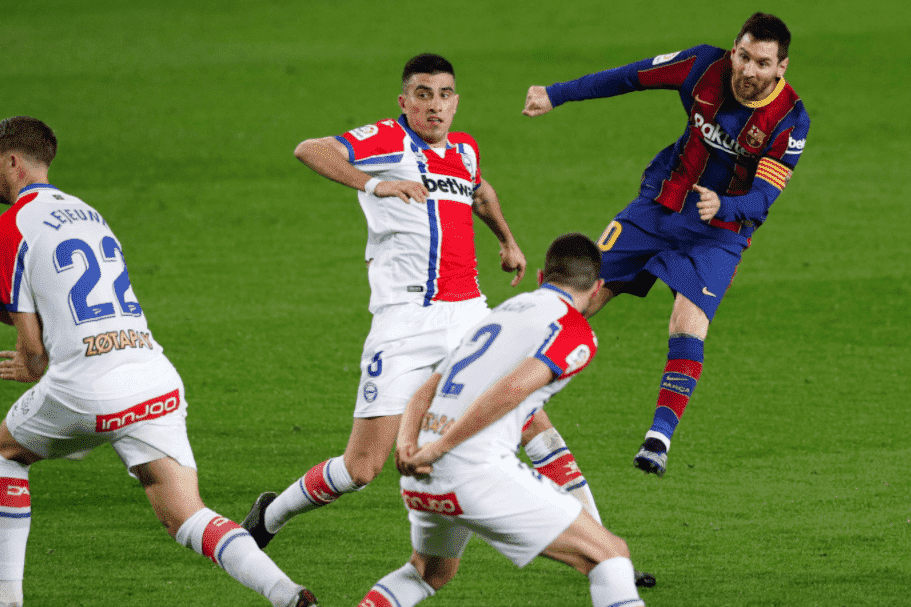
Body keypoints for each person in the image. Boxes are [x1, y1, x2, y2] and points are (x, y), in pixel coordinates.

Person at [242, 53, 611, 555]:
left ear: (456, 102)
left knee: (531, 417)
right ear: (404, 101)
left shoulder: (463, 149)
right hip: (404, 321)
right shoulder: (387, 141)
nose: (434, 105)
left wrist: (507, 241)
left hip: (469, 315)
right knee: (362, 468)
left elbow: (480, 192)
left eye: (443, 95)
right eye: (422, 94)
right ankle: (271, 514)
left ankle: (601, 540)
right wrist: (377, 183)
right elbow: (310, 149)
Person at [0, 116, 317, 607]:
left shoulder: (8, 230)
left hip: (88, 389)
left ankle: (6, 598)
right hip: (154, 379)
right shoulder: (88, 214)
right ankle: (286, 594)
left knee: (7, 452)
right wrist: (17, 315)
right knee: (187, 514)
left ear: (12, 161)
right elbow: (79, 308)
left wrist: (22, 350)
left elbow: (34, 359)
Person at [522, 12, 810, 476]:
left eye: (762, 62)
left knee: (687, 321)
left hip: (719, 232)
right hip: (660, 206)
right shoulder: (701, 66)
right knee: (578, 295)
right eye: (743, 56)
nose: (748, 71)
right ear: (732, 48)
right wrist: (556, 94)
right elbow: (631, 76)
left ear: (781, 67)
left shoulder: (790, 120)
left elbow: (764, 196)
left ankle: (659, 437)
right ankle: (504, 383)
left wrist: (725, 207)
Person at [359, 233, 645, 607]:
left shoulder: (503, 312)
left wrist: (409, 446)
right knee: (610, 554)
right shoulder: (574, 331)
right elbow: (513, 390)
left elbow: (425, 390)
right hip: (472, 470)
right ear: (597, 288)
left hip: (421, 478)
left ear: (542, 276)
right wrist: (441, 449)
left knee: (428, 572)